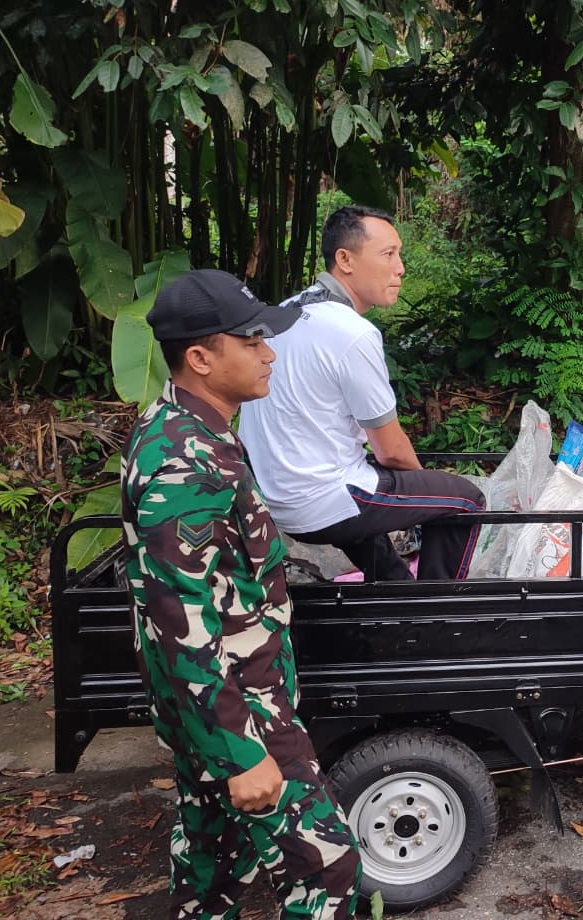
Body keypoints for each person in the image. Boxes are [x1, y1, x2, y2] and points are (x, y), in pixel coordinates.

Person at [121, 270, 361, 919]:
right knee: (328, 867)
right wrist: (241, 749)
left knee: (213, 866)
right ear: (200, 357)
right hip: (240, 717)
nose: (270, 353)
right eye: (251, 341)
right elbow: (180, 618)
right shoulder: (185, 465)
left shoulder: (187, 431)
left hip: (219, 709)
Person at [238, 205, 484, 580]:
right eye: (388, 254)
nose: (400, 267)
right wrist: (425, 504)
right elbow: (392, 451)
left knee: (368, 490)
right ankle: (437, 613)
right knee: (464, 500)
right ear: (345, 260)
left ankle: (397, 589)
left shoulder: (285, 311)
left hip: (275, 494)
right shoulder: (352, 333)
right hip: (321, 501)